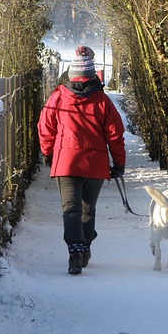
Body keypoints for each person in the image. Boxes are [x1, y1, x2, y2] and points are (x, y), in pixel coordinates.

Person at [38, 46, 126, 275]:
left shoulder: (57, 97)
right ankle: (84, 247)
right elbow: (115, 135)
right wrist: (119, 164)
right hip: (94, 165)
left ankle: (74, 253)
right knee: (88, 209)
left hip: (65, 163)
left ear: (71, 74)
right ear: (92, 75)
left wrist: (48, 153)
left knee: (71, 210)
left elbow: (45, 128)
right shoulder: (102, 101)